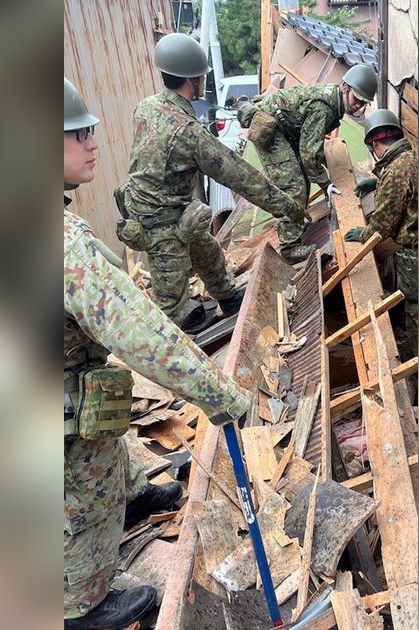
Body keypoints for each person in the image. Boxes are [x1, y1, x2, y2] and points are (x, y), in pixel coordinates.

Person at [63, 77, 252, 629]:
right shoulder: (65, 244)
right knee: (87, 432)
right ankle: (81, 603)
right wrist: (218, 393)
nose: (94, 141)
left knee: (102, 408)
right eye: (77, 133)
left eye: (90, 129)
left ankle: (128, 494)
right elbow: (139, 331)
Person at [119, 33, 302, 332]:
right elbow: (241, 176)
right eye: (202, 77)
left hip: (165, 212)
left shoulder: (146, 107)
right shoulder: (188, 132)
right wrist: (286, 207)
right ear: (193, 80)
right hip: (160, 227)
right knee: (172, 315)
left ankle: (228, 298)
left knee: (206, 249)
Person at [237, 63, 377, 261]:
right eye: (357, 99)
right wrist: (326, 184)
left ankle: (295, 231)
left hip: (284, 129)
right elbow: (309, 153)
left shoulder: (333, 101)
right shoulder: (324, 108)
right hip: (272, 130)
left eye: (363, 103)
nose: (358, 105)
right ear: (345, 87)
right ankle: (289, 249)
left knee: (303, 177)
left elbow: (311, 146)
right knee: (294, 186)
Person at [344, 109, 418, 360]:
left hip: (416, 254)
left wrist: (364, 234)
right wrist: (377, 182)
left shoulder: (397, 171)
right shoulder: (411, 157)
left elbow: (383, 226)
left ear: (376, 143)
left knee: (416, 308)